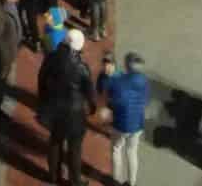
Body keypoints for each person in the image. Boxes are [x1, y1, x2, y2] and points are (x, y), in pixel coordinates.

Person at [39, 28, 92, 186]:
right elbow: (89, 91)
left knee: (55, 142)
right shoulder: (82, 67)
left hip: (55, 110)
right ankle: (75, 181)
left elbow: (41, 78)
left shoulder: (51, 58)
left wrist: (43, 99)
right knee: (75, 149)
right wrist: (92, 107)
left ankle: (53, 176)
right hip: (75, 114)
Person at [99, 50, 152, 186]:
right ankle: (131, 183)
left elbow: (114, 102)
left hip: (121, 124)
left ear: (127, 66)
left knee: (116, 149)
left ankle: (116, 180)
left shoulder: (118, 82)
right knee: (132, 152)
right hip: (138, 124)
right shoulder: (144, 80)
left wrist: (108, 110)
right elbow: (145, 101)